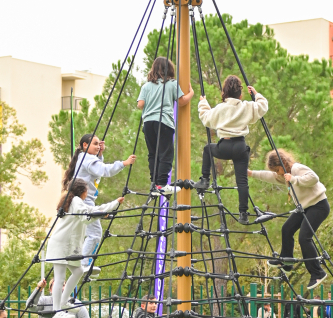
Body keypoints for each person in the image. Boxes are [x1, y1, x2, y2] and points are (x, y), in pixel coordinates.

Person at [250, 149, 329, 290]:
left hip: (318, 205)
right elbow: (268, 176)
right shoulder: (283, 174)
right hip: (305, 207)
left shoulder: (296, 169)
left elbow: (314, 178)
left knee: (304, 237)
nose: (277, 173)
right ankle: (286, 261)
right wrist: (251, 173)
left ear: (282, 165)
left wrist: (294, 180)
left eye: (277, 170)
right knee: (287, 229)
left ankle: (317, 273)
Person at [194, 75, 268, 224]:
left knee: (208, 149)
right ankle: (243, 213)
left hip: (225, 146)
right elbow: (263, 106)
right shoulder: (246, 106)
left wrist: (203, 103)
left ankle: (205, 179)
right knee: (242, 181)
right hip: (240, 147)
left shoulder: (221, 108)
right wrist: (256, 95)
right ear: (240, 95)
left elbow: (206, 118)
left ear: (224, 94)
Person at [46, 181, 123, 318]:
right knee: (59, 277)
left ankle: (63, 302)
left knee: (79, 270)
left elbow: (92, 210)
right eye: (86, 190)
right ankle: (57, 311)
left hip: (68, 246)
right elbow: (86, 217)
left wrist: (114, 204)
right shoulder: (75, 200)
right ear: (82, 191)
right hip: (61, 244)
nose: (87, 193)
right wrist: (100, 214)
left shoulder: (75, 202)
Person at [61, 133, 135, 270]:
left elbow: (96, 169)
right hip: (86, 202)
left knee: (85, 234)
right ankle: (83, 264)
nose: (98, 146)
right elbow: (104, 170)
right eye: (95, 144)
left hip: (85, 201)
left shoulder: (85, 158)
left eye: (99, 144)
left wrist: (100, 154)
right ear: (85, 145)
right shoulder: (87, 159)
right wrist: (124, 163)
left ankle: (82, 262)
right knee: (94, 234)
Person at [137, 56, 194, 194]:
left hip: (148, 123)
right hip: (164, 122)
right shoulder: (171, 84)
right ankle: (162, 184)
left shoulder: (146, 86)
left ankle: (154, 184)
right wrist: (191, 93)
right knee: (166, 154)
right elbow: (181, 101)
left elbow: (140, 105)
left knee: (153, 154)